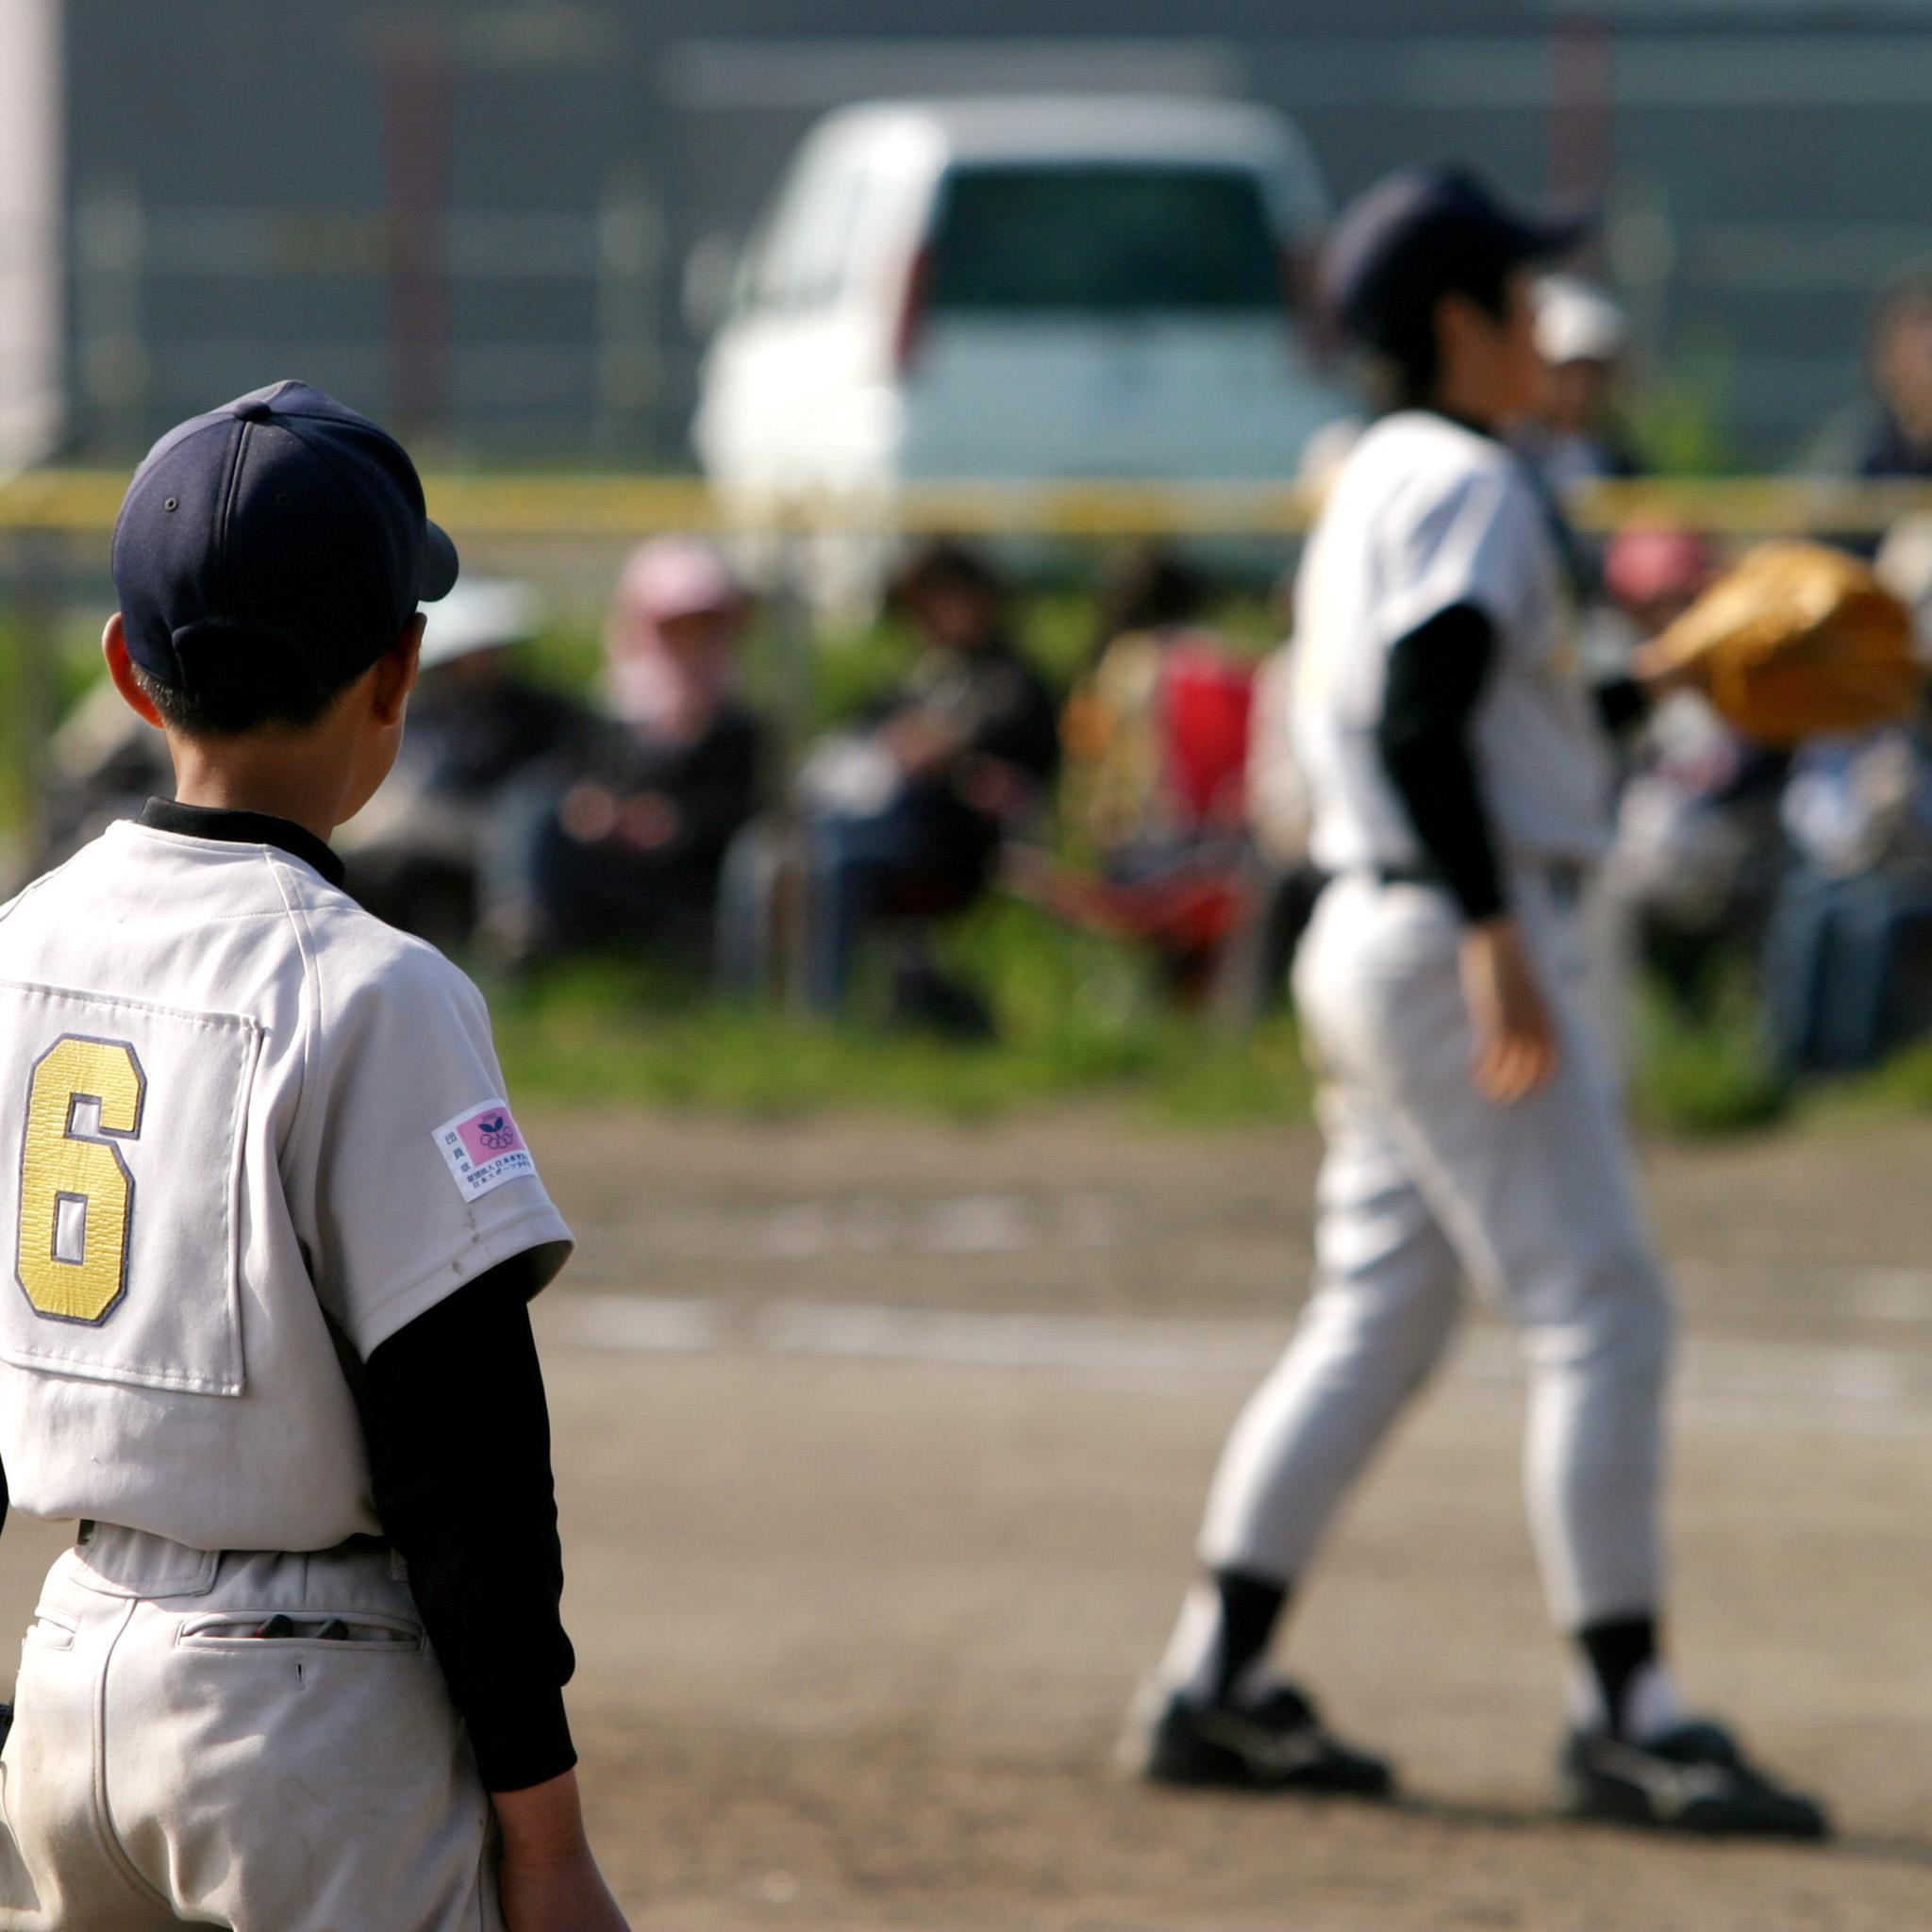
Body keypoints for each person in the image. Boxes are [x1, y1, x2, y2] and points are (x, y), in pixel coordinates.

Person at [1120, 169, 1828, 1839]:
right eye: (1520, 302)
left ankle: (1210, 1680)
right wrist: (1499, 930)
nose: (1544, 329)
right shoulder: (1478, 481)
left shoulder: (1379, 470)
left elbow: (1461, 708)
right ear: (1454, 326)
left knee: (1380, 1311)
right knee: (1600, 1303)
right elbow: (1429, 720)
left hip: (1378, 928)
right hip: (1453, 940)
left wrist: (1650, 681)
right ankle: (1625, 1708)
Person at [0, 381, 628, 1929]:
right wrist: (541, 1828)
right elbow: (463, 1444)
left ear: (125, 674)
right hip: (303, 1720)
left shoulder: (18, 948)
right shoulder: (373, 988)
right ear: (399, 664)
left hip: (69, 1665)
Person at [783, 539, 1059, 1023]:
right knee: (782, 850)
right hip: (881, 831)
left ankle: (823, 1017)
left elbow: (1011, 767)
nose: (929, 617)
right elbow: (855, 736)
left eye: (942, 599)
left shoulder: (1013, 682)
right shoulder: (921, 678)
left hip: (960, 847)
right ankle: (771, 1008)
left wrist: (945, 751)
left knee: (841, 860)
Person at [495, 539, 766, 968]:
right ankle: (521, 933)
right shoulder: (611, 711)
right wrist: (595, 809)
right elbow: (578, 780)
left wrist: (677, 823)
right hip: (602, 865)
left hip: (685, 881)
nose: (691, 641)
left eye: (703, 625)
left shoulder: (737, 726)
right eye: (677, 625)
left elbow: (747, 812)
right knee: (534, 804)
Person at [338, 576, 593, 950]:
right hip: (425, 833)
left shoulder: (542, 712)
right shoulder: (422, 714)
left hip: (500, 830)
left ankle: (514, 929)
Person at [1515, 275, 1641, 503]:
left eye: (1591, 375)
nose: (1578, 390)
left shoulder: (1619, 466)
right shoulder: (1507, 458)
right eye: (1564, 374)